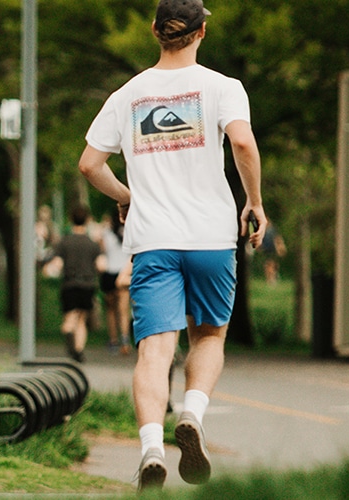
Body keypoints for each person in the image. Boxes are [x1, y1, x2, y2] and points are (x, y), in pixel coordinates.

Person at [77, 0, 266, 490]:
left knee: (154, 350)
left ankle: (150, 450)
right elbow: (243, 143)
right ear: (202, 32)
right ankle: (192, 414)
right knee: (208, 336)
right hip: (211, 237)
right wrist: (254, 202)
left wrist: (127, 197)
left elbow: (89, 164)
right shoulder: (222, 87)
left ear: (154, 32)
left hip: (153, 239)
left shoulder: (128, 94)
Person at [44, 206, 105, 363]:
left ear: (71, 220)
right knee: (81, 319)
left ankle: (69, 335)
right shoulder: (92, 244)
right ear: (87, 220)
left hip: (70, 283)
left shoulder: (64, 242)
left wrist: (47, 270)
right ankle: (78, 350)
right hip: (87, 284)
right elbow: (101, 265)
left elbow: (57, 264)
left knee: (69, 318)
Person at [99, 210, 133, 354]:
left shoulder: (106, 233)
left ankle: (113, 340)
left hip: (109, 272)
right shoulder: (130, 232)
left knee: (111, 311)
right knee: (123, 310)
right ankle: (124, 339)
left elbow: (103, 252)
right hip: (123, 272)